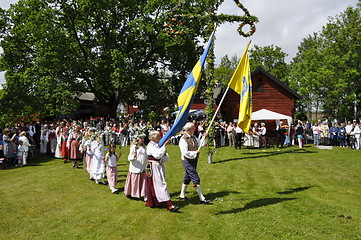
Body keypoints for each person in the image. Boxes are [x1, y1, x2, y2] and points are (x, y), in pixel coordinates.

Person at [145, 130, 179, 212]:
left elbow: (165, 158)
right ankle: (169, 204)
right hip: (154, 166)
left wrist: (164, 150)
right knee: (160, 184)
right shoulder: (150, 146)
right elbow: (157, 155)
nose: (160, 138)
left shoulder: (157, 145)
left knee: (155, 184)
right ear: (152, 138)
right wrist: (164, 147)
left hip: (158, 166)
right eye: (158, 136)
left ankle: (152, 201)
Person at [178, 122, 211, 204]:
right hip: (187, 161)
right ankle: (201, 198)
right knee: (195, 177)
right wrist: (195, 153)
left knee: (187, 177)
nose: (195, 129)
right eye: (193, 128)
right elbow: (185, 153)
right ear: (188, 129)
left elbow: (200, 144)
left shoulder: (193, 137)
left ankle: (182, 195)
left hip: (194, 160)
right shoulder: (183, 140)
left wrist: (205, 137)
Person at [124, 134, 147, 199]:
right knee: (135, 181)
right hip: (135, 167)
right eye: (140, 138)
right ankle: (133, 193)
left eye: (143, 138)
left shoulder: (144, 147)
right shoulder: (134, 147)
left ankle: (142, 193)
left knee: (142, 180)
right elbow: (129, 158)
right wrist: (134, 156)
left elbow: (145, 156)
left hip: (142, 167)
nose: (142, 140)